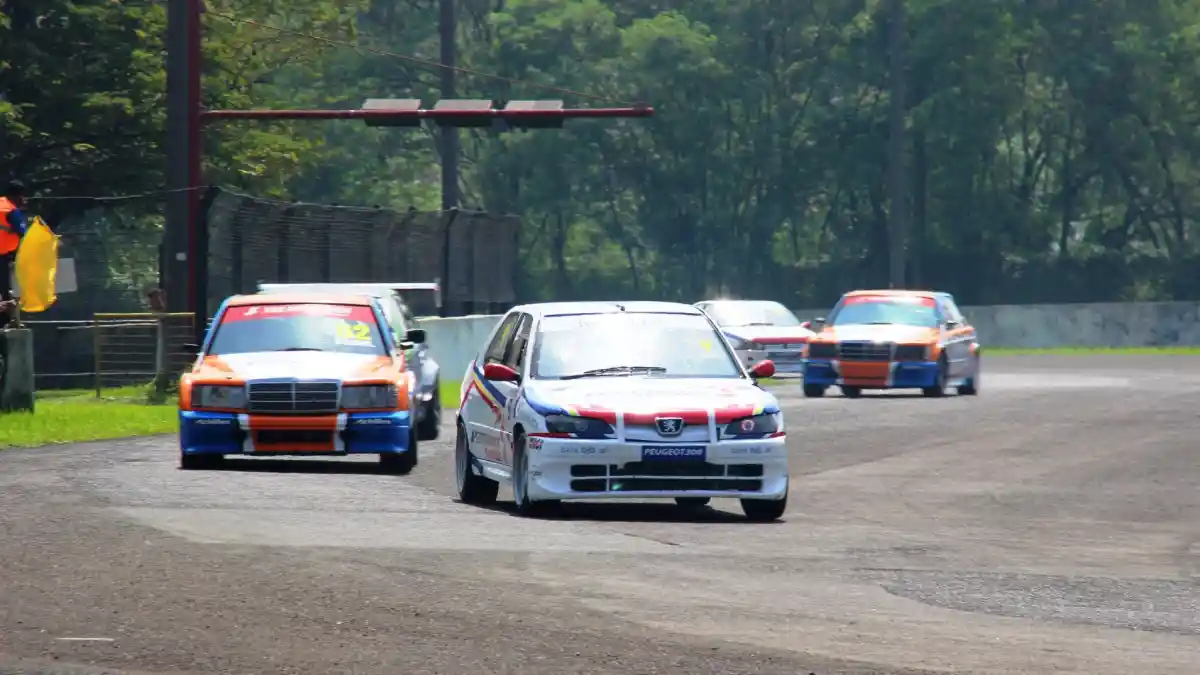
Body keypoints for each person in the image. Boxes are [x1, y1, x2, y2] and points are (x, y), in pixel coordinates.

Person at [0, 179, 29, 325]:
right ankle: (6, 322)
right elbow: (23, 232)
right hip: (1, 255)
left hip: (3, 254)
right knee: (4, 290)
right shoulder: (11, 210)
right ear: (18, 195)